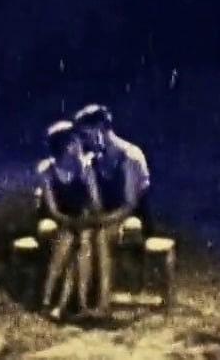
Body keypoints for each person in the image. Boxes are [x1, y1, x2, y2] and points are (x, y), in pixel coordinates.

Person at [72, 103, 151, 314]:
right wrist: (87, 173)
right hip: (107, 215)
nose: (85, 141)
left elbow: (130, 203)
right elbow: (97, 204)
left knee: (101, 236)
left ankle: (103, 302)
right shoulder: (92, 160)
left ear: (100, 129)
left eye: (86, 135)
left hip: (132, 215)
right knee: (85, 236)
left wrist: (102, 221)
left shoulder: (130, 156)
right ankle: (82, 302)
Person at [36, 120, 102, 321]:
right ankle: (48, 301)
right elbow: (53, 210)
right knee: (65, 242)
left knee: (83, 243)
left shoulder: (85, 168)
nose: (80, 144)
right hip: (58, 219)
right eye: (75, 141)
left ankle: (76, 303)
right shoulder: (48, 170)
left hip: (81, 218)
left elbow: (95, 204)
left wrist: (83, 220)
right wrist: (70, 223)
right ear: (65, 146)